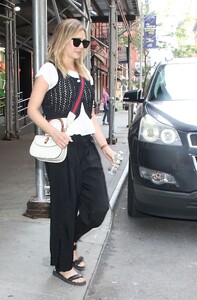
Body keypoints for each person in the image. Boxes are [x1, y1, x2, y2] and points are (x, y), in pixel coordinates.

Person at [27, 19, 116, 287]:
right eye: (76, 41)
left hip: (86, 146)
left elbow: (90, 117)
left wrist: (104, 146)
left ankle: (70, 242)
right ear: (63, 40)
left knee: (98, 206)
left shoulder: (86, 75)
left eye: (84, 43)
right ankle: (63, 264)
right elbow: (32, 109)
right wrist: (53, 132)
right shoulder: (50, 70)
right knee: (65, 208)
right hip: (62, 146)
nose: (81, 47)